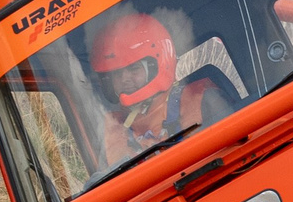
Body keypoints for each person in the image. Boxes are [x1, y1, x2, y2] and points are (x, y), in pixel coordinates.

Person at [87, 9, 234, 167]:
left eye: (134, 68)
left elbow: (234, 149)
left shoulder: (203, 100)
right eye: (116, 73)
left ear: (158, 62)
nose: (124, 79)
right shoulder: (111, 130)